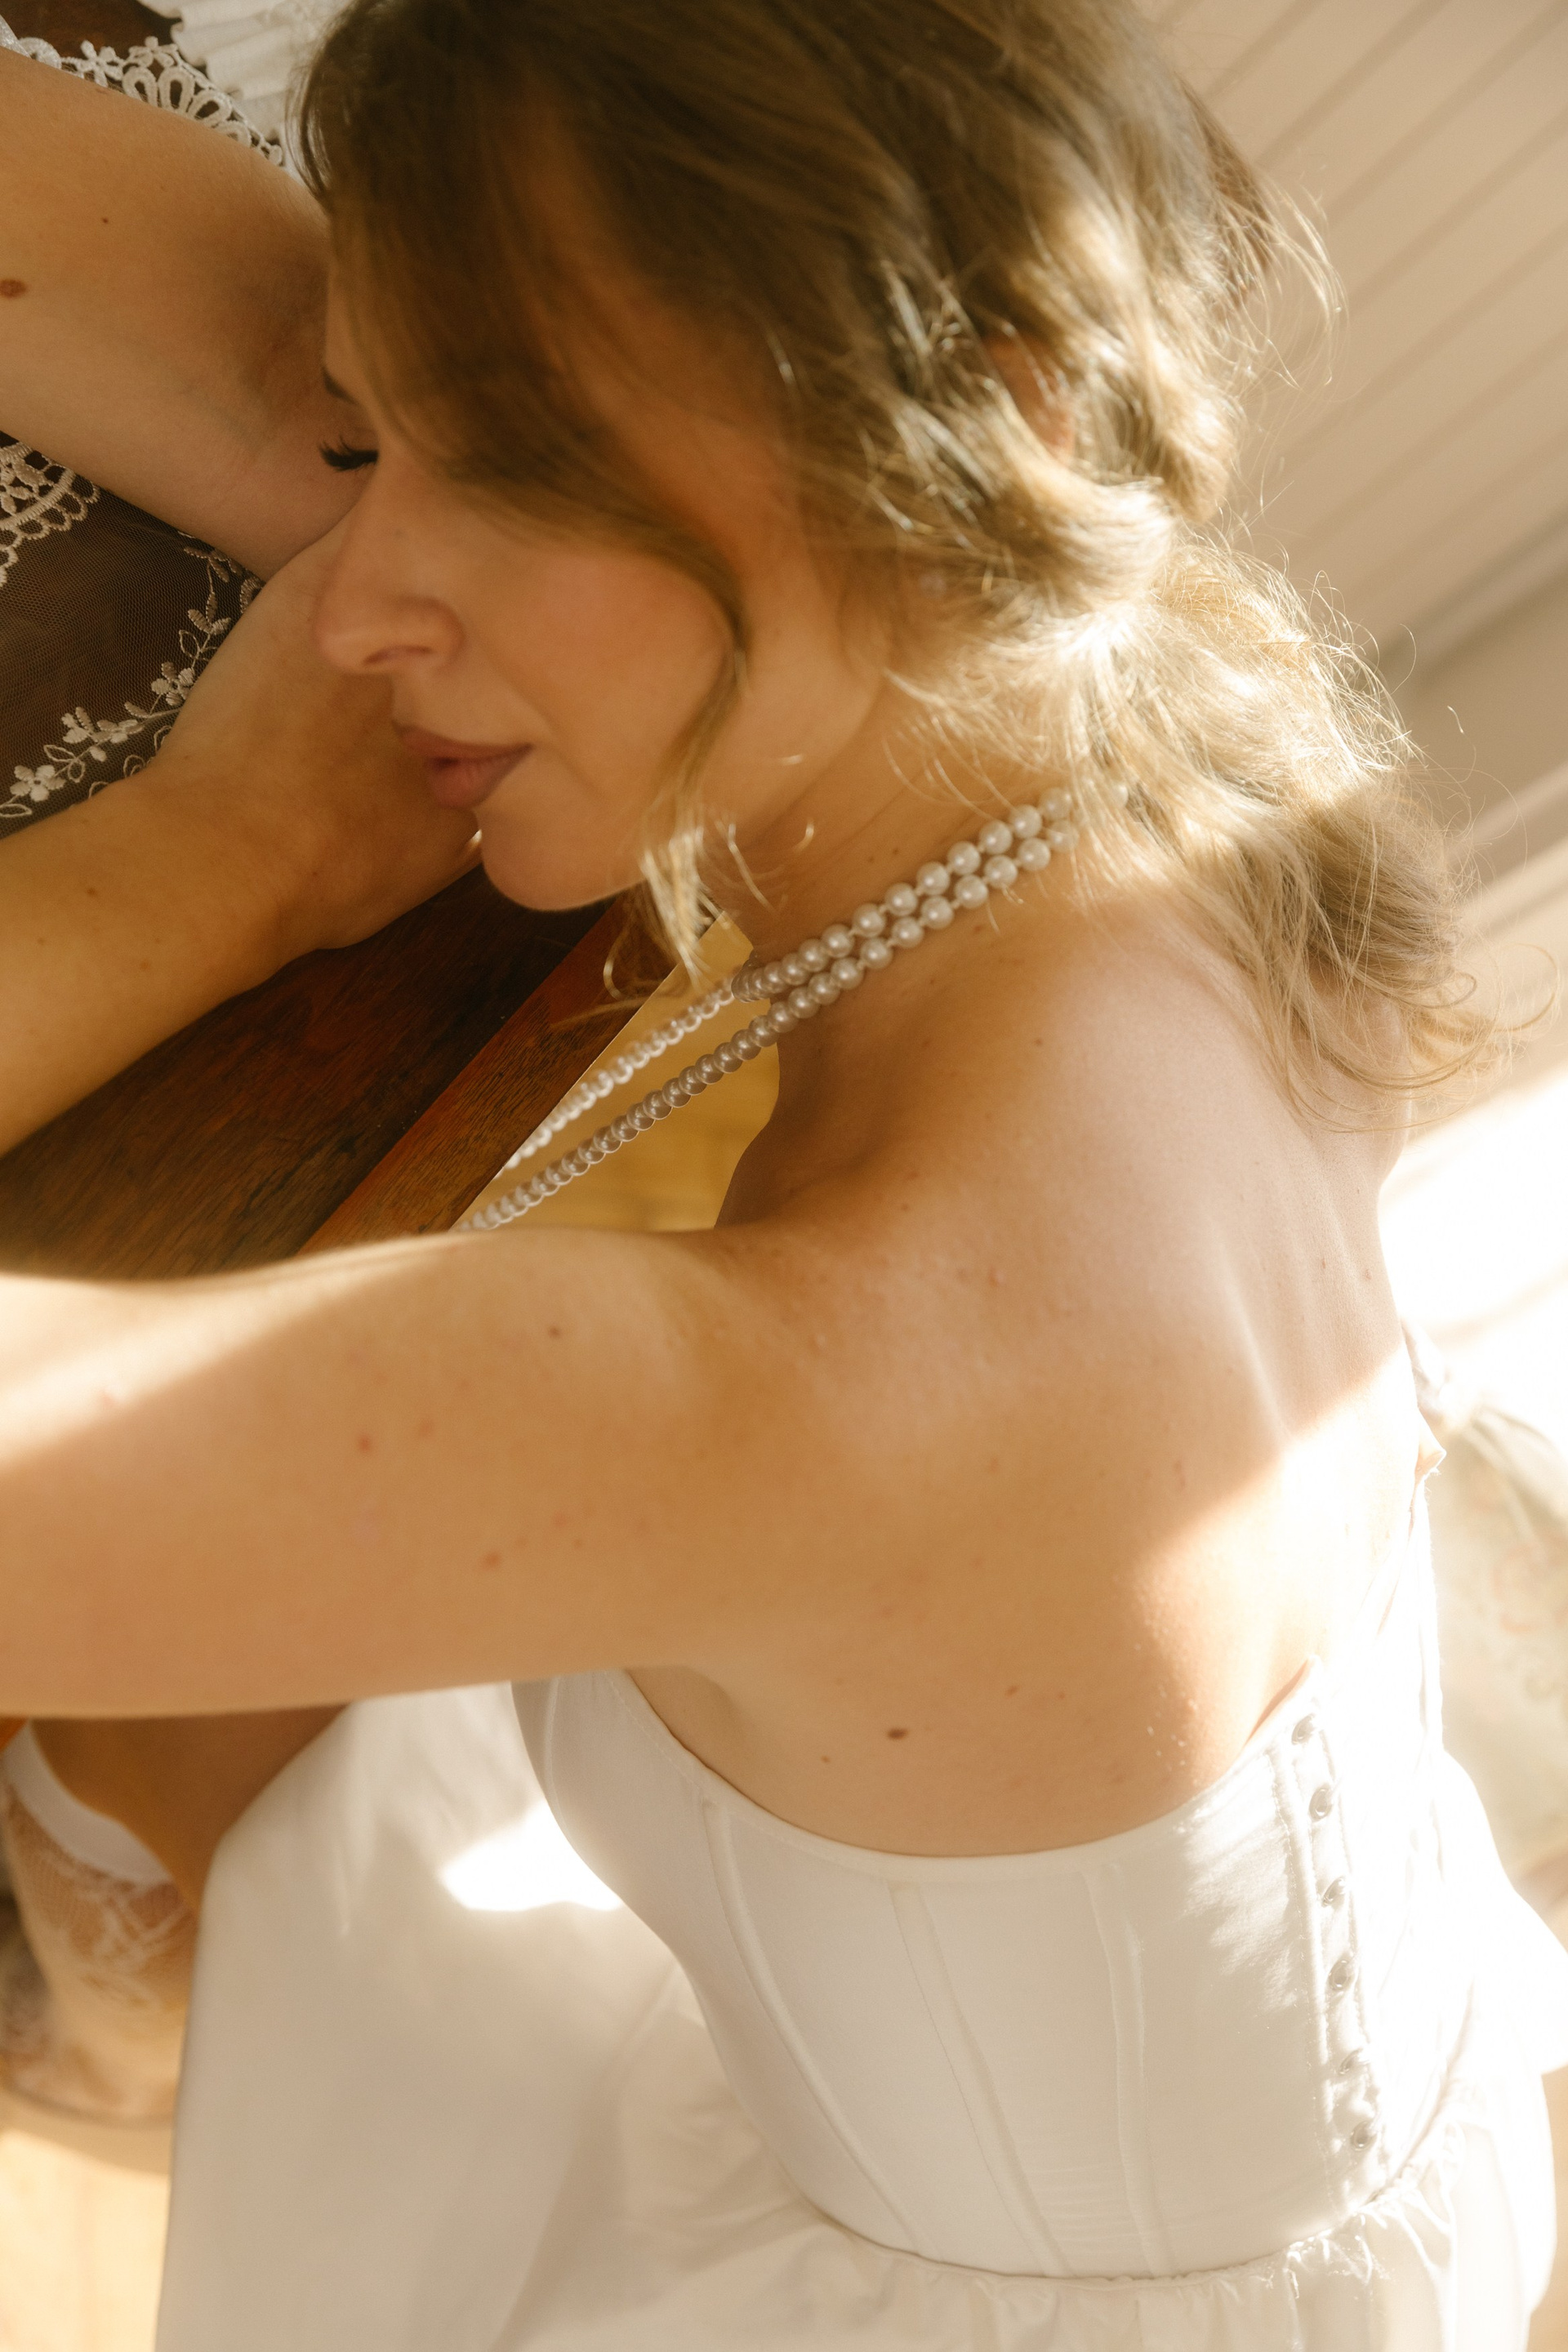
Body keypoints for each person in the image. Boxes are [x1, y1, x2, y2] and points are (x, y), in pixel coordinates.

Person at [1, 0, 1565, 2342]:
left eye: (504, 463)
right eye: (373, 431)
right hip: (1359, 2116)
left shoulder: (845, 1380)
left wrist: (206, 860)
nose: (357, 602)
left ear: (987, 423)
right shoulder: (1202, 771)